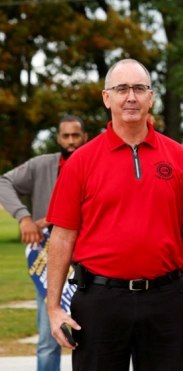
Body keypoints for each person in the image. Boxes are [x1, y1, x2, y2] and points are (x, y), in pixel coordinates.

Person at [45, 59, 183, 371]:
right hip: (99, 301)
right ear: (107, 97)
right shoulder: (80, 162)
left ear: (151, 97)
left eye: (139, 88)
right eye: (121, 89)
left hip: (166, 299)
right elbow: (62, 236)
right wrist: (53, 306)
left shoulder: (178, 157)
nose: (131, 97)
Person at [0, 115, 88, 371]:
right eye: (65, 136)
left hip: (92, 265)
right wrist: (23, 217)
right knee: (49, 341)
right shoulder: (42, 165)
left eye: (75, 136)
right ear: (59, 138)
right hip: (51, 265)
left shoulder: (97, 164)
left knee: (95, 339)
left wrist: (51, 217)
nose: (70, 141)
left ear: (85, 137)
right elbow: (3, 181)